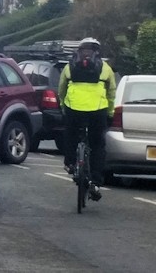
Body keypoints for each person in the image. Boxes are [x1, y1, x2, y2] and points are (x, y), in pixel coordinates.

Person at [58, 37, 116, 201]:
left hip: (74, 108)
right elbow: (111, 93)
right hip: (98, 111)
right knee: (97, 145)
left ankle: (70, 163)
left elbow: (61, 89)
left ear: (79, 51)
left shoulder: (69, 67)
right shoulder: (105, 69)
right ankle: (96, 182)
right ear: (97, 52)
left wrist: (63, 106)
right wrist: (110, 113)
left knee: (70, 134)